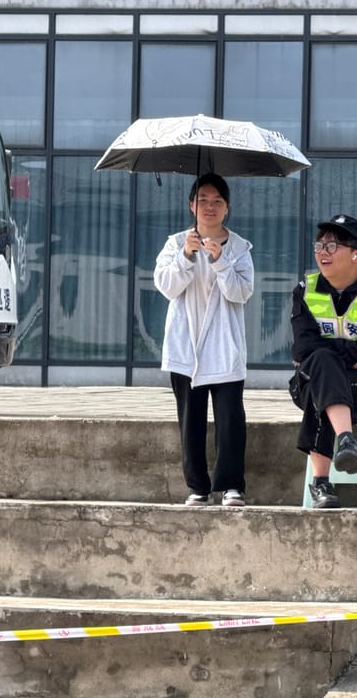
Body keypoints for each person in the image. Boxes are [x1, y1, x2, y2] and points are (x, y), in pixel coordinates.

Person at [154, 173, 254, 508]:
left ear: (227, 208)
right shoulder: (175, 243)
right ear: (191, 205)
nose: (209, 207)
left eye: (217, 201)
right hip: (187, 346)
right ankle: (197, 486)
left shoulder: (239, 248)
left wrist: (219, 261)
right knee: (190, 420)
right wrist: (185, 256)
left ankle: (231, 486)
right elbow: (167, 287)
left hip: (224, 346)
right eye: (202, 200)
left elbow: (241, 292)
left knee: (230, 421)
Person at [289, 214, 357, 509]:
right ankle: (346, 440)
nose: (322, 252)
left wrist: (332, 354)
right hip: (329, 379)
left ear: (355, 254)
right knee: (321, 369)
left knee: (322, 380)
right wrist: (354, 359)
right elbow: (302, 349)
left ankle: (321, 484)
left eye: (332, 246)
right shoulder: (305, 289)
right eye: (319, 245)